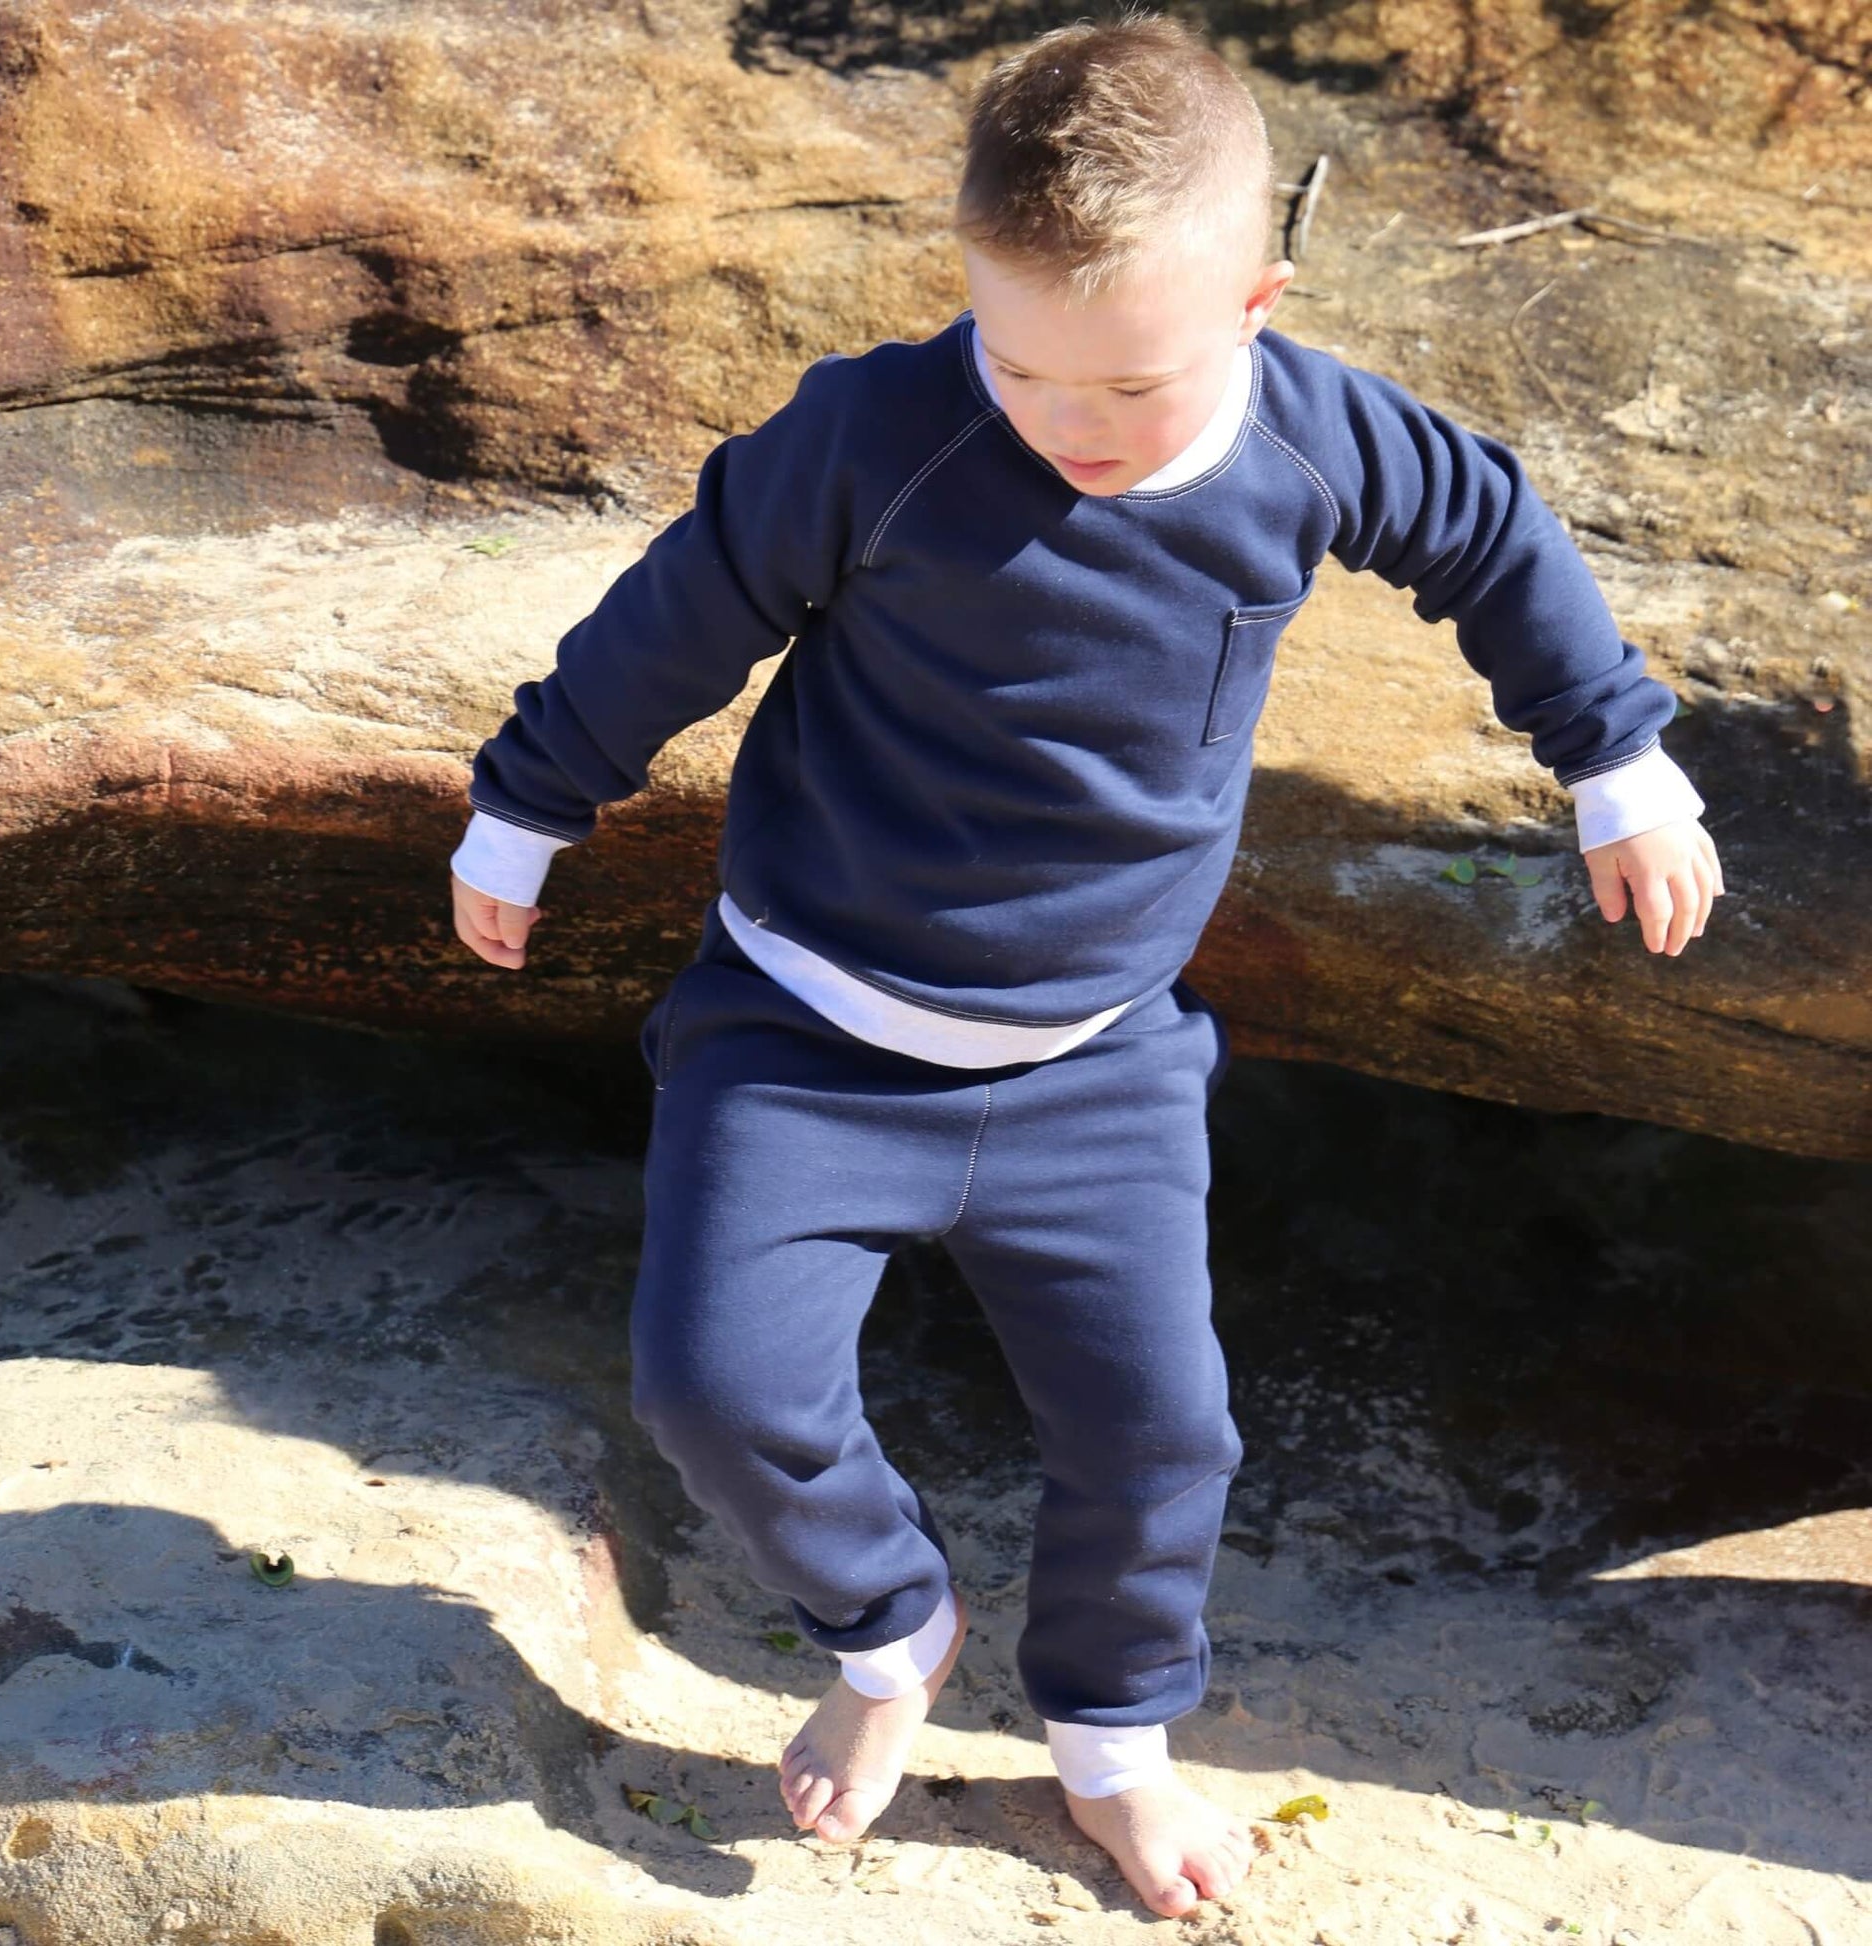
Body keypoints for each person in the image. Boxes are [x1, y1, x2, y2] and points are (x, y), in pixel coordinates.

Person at [446, 7, 1722, 1920]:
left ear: (1256, 302)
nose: (1070, 421)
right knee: (711, 1385)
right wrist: (527, 802)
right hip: (805, 1029)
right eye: (1020, 360)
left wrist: (1615, 758)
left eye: (1124, 383)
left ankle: (1115, 1739)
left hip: (1097, 1065)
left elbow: (1488, 530)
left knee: (1158, 1432)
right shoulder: (880, 434)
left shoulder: (1312, 434)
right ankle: (890, 1633)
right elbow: (677, 610)